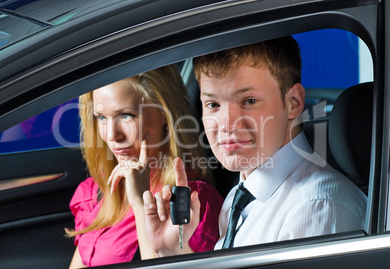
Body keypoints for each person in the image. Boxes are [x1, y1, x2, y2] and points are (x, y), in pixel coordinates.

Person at [143, 36, 367, 254]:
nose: (226, 124)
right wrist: (172, 250)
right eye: (213, 104)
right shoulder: (238, 197)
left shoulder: (314, 209)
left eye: (249, 101)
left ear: (294, 103)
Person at [66, 65, 224, 268]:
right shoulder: (97, 191)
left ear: (164, 114)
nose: (112, 135)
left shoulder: (191, 203)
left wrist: (141, 205)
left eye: (126, 115)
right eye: (101, 118)